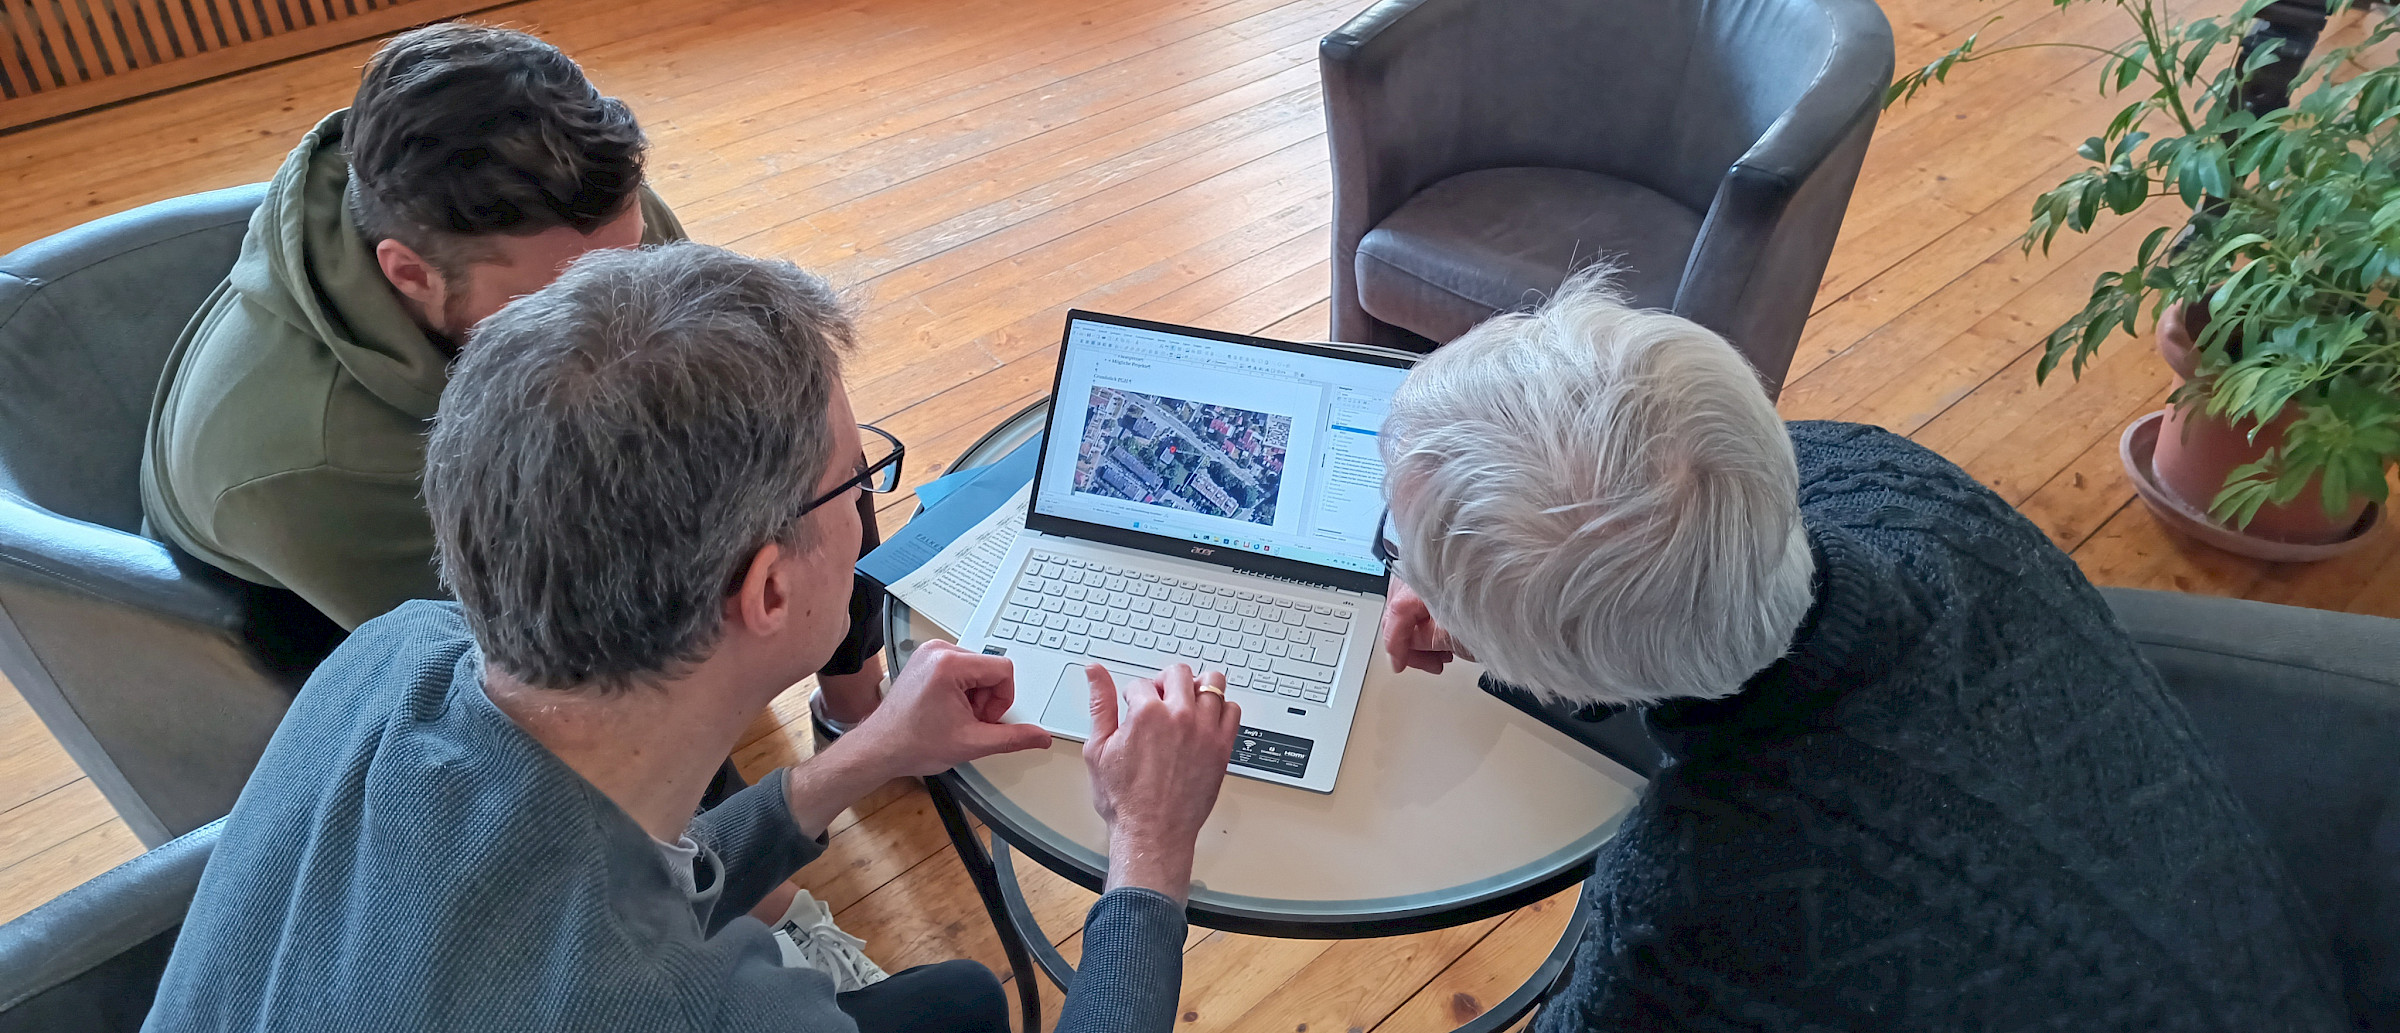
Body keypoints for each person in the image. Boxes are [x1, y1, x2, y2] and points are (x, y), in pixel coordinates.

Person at [143, 243, 1243, 1032]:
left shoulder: (393, 654)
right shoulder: (708, 1006)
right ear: (767, 587)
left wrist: (862, 757)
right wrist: (1147, 857)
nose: (867, 513)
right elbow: (616, 945)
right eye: (857, 483)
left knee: (953, 1000)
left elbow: (606, 877)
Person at [1373, 271, 2347, 1032]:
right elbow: (1669, 575)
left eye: (1408, 548)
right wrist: (1509, 623)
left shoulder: (1697, 900)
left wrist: (1518, 637)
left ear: (1564, 674)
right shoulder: (1888, 480)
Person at [137, 23, 886, 735]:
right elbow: (550, 693)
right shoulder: (314, 462)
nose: (619, 302)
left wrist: (858, 713)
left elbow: (767, 399)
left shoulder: (577, 214)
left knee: (802, 453)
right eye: (563, 297)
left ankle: (858, 710)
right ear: (410, 272)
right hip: (313, 600)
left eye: (630, 263)